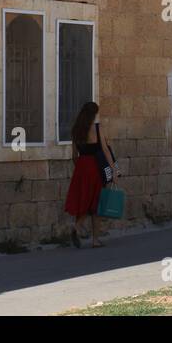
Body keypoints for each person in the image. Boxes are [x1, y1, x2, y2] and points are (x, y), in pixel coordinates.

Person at [63, 101, 117, 247]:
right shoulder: (97, 128)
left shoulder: (76, 130)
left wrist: (80, 168)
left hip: (81, 166)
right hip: (96, 166)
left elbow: (74, 155)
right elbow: (105, 150)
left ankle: (79, 227)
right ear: (93, 115)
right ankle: (93, 238)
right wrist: (113, 169)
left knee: (85, 199)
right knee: (97, 202)